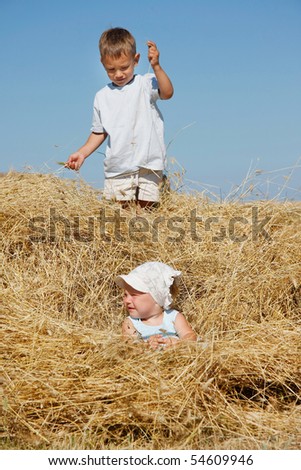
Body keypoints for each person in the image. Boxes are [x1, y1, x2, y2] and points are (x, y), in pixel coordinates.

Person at [66, 27, 174, 208]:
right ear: (102, 63)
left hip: (149, 163)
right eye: (111, 69)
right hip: (118, 167)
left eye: (124, 67)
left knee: (147, 211)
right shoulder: (102, 96)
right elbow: (99, 132)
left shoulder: (145, 83)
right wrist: (82, 153)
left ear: (136, 59)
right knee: (121, 216)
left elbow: (168, 93)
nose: (118, 74)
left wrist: (156, 66)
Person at [115, 262, 197, 349]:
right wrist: (146, 345)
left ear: (156, 298)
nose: (127, 300)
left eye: (134, 295)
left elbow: (190, 335)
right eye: (125, 295)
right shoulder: (130, 322)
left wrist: (180, 343)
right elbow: (129, 346)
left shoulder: (173, 317)